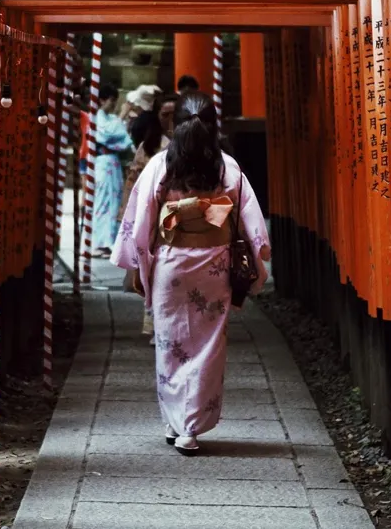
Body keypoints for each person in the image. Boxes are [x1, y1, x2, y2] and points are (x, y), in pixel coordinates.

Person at [111, 91, 271, 455]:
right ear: (214, 126)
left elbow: (141, 219)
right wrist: (259, 251)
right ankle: (190, 427)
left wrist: (137, 264)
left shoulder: (161, 165)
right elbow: (249, 219)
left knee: (170, 345)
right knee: (208, 346)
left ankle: (175, 420)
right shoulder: (227, 167)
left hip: (172, 262)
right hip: (214, 263)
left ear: (174, 123)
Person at [117, 92, 180, 343]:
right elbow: (133, 182)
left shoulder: (192, 144)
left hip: (184, 216)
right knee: (156, 272)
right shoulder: (150, 146)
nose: (170, 120)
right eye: (165, 115)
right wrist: (127, 214)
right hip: (155, 216)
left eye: (174, 115)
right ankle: (156, 323)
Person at [93, 83, 134, 257]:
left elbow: (123, 138)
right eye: (111, 100)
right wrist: (122, 116)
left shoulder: (110, 118)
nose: (114, 104)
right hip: (103, 161)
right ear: (102, 100)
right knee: (103, 200)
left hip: (113, 161)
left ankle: (108, 242)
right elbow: (108, 134)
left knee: (114, 202)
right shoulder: (98, 116)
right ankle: (99, 243)